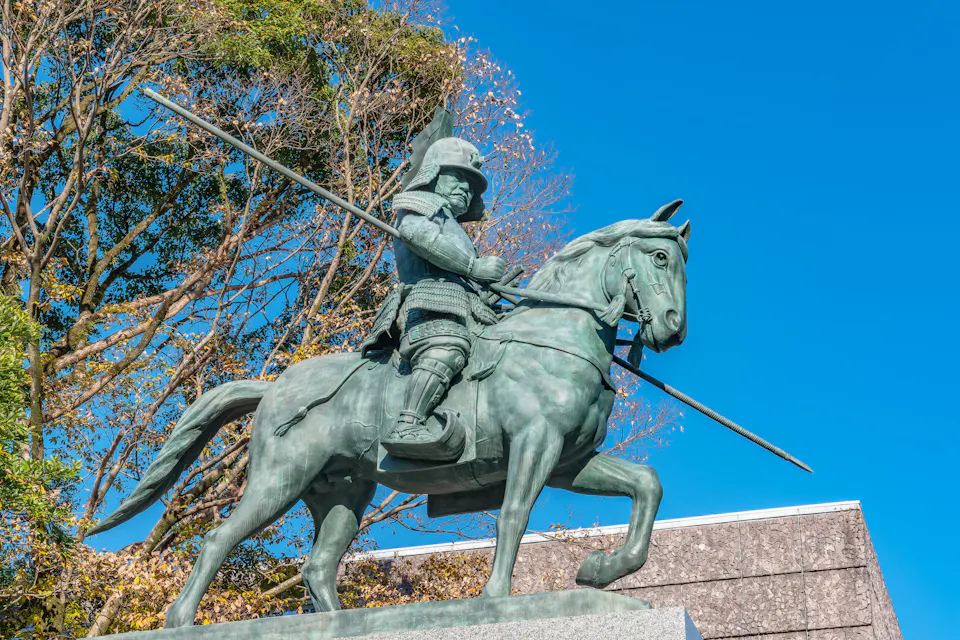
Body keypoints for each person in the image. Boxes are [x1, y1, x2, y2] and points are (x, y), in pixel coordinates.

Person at [361, 136, 505, 460]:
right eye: (460, 178)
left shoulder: (455, 228)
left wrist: (490, 290)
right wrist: (474, 266)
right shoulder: (420, 207)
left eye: (472, 186)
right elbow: (417, 235)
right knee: (448, 348)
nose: (467, 190)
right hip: (431, 308)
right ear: (435, 174)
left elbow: (467, 281)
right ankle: (408, 423)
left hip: (463, 309)